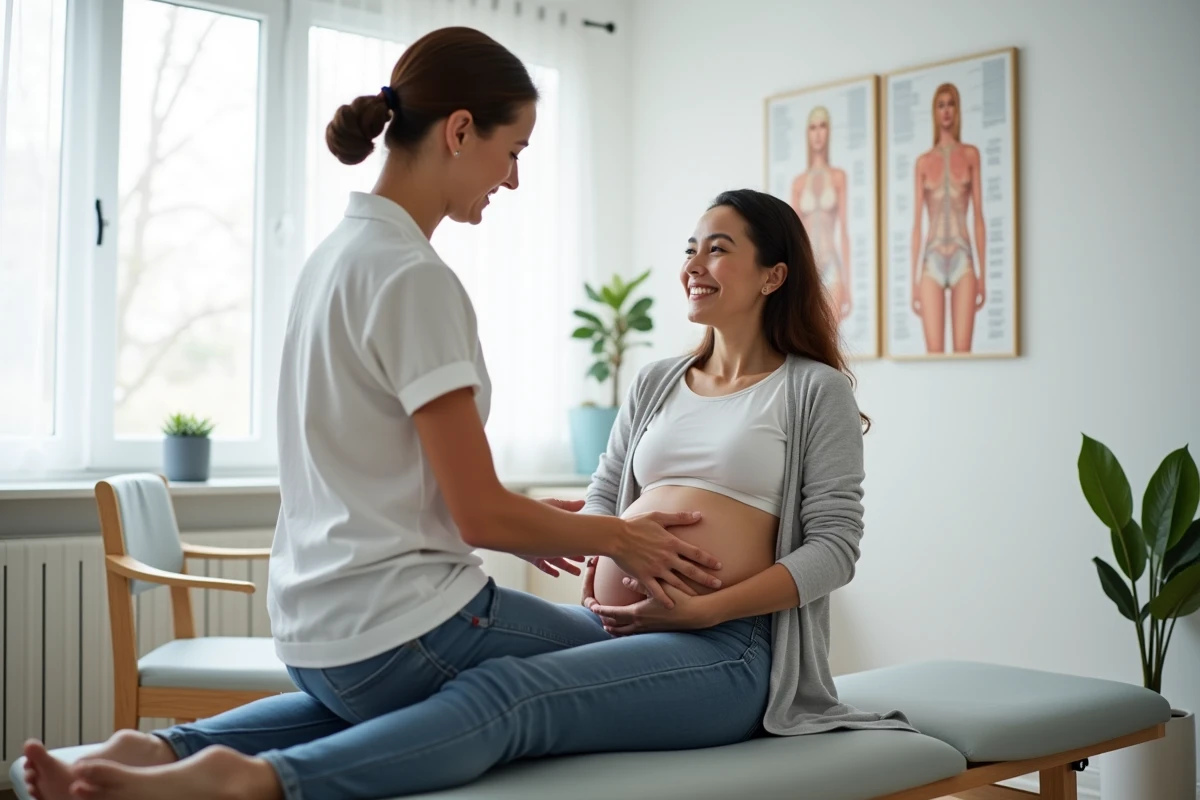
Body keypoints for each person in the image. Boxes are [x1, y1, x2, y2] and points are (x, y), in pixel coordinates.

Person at [20, 25, 725, 800]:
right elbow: (480, 516)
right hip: (409, 630)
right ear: (460, 130)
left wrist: (539, 523)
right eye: (514, 150)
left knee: (399, 703)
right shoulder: (414, 278)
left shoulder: (334, 258)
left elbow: (397, 480)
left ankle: (158, 751)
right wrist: (618, 535)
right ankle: (252, 780)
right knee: (628, 654)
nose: (514, 179)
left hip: (317, 639)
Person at [910, 82, 986, 353]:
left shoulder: (970, 155)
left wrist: (982, 275)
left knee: (964, 352)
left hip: (962, 255)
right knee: (933, 354)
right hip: (931, 259)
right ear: (934, 111)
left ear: (957, 110)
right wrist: (914, 282)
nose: (946, 111)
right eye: (940, 105)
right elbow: (917, 225)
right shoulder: (923, 162)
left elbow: (979, 217)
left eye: (951, 104)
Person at [790, 106, 851, 321]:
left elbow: (844, 232)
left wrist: (848, 285)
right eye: (813, 127)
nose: (817, 133)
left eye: (822, 126)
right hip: (808, 269)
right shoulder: (798, 183)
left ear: (829, 132)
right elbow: (792, 238)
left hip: (832, 265)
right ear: (807, 133)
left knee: (829, 345)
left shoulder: (838, 177)